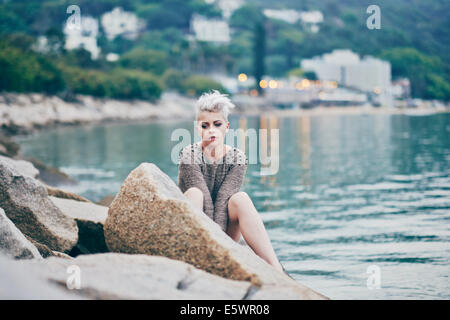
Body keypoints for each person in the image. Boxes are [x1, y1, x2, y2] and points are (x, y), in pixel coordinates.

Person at [177, 90, 284, 274]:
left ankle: (274, 267)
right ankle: (192, 256)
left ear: (226, 127)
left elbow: (223, 201)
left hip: (223, 227)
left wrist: (219, 241)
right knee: (196, 193)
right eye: (205, 125)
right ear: (197, 128)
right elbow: (207, 204)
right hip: (194, 227)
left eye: (217, 124)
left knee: (240, 198)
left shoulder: (238, 158)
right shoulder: (189, 155)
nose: (211, 130)